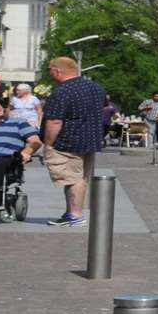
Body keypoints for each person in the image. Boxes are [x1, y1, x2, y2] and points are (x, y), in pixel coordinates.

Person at [39, 56, 107, 227]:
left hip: (66, 141)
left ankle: (76, 214)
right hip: (90, 139)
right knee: (81, 178)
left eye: (49, 70)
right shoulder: (96, 87)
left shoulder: (61, 91)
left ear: (57, 71)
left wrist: (48, 143)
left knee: (71, 178)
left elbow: (54, 121)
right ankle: (71, 213)